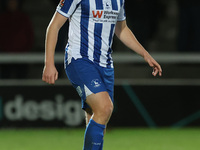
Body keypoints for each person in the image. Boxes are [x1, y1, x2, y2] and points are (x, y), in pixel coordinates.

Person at [42, 0, 162, 149]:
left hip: (105, 65)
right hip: (79, 59)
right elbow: (54, 26)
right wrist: (49, 63)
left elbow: (122, 29)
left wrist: (145, 55)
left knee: (97, 116)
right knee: (104, 108)